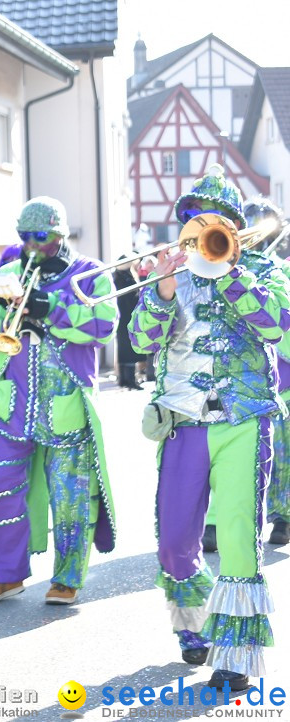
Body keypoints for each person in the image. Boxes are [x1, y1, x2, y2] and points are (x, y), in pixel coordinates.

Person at [129, 166, 290, 690]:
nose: (203, 231)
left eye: (214, 223)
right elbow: (140, 343)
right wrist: (161, 293)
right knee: (175, 542)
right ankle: (195, 625)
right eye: (194, 221)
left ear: (235, 228)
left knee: (241, 543)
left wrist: (232, 274)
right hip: (184, 421)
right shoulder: (170, 273)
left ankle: (235, 655)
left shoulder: (263, 269)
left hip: (245, 420)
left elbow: (278, 326)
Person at [0, 196, 118, 606]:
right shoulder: (10, 271)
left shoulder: (90, 274)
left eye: (40, 237)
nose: (31, 245)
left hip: (65, 405)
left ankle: (67, 577)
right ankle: (2, 576)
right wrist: (5, 311)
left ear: (60, 234)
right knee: (2, 492)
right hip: (12, 405)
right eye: (24, 237)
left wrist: (48, 309)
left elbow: (103, 325)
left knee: (70, 496)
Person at [242, 197, 290, 546]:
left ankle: (284, 516)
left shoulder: (281, 270)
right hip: (243, 379)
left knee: (284, 455)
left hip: (283, 378)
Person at [112, 255, 147, 390]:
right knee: (128, 348)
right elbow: (131, 297)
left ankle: (125, 379)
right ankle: (129, 380)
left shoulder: (118, 276)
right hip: (127, 316)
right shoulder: (124, 278)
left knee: (124, 349)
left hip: (124, 316)